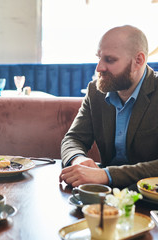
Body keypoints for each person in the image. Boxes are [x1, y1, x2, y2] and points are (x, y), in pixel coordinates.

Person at [59, 25, 158, 188]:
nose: (99, 68)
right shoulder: (95, 91)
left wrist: (106, 175)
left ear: (138, 61)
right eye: (99, 57)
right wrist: (79, 160)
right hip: (103, 193)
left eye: (110, 60)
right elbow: (73, 138)